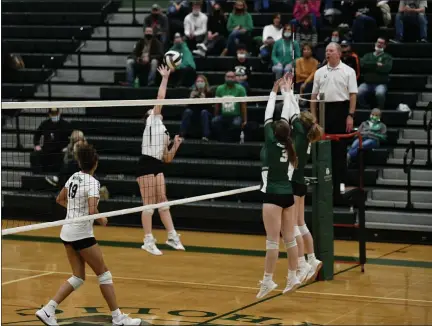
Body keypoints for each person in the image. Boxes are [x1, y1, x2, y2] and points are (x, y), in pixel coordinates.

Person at [35, 144, 142, 326]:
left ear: (79, 161)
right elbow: (92, 210)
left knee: (78, 276)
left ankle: (48, 309)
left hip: (67, 232)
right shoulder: (93, 183)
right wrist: (102, 219)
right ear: (95, 163)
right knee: (104, 274)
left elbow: (60, 199)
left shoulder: (74, 176)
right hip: (81, 235)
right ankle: (118, 318)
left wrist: (76, 210)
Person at [257, 75, 301, 299]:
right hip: (288, 196)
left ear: (274, 132)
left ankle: (267, 280)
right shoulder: (289, 145)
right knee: (290, 239)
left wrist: (274, 91)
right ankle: (293, 276)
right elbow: (285, 118)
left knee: (272, 242)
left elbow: (268, 114)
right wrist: (288, 93)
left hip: (273, 196)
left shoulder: (271, 144)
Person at [137, 65, 185, 256]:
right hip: (146, 163)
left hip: (157, 163)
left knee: (163, 201)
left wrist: (175, 145)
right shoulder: (152, 120)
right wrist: (165, 78)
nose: (155, 110)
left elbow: (167, 158)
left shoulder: (164, 130)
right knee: (148, 204)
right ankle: (148, 240)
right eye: (152, 110)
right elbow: (160, 97)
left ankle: (172, 236)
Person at [285, 88, 324, 284]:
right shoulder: (307, 136)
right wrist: (291, 96)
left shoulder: (300, 134)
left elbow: (292, 115)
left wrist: (288, 94)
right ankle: (312, 258)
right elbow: (294, 115)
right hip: (300, 183)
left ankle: (302, 263)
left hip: (293, 184)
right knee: (301, 224)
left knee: (293, 227)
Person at [310, 42, 357, 200]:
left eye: (330, 51)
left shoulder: (348, 71)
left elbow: (352, 95)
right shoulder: (319, 72)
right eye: (326, 51)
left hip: (341, 111)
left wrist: (350, 115)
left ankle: (338, 188)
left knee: (339, 152)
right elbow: (313, 97)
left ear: (338, 53)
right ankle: (323, 188)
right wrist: (313, 116)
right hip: (324, 112)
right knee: (323, 150)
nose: (327, 53)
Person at [31, 108, 71, 174]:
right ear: (49, 114)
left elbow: (73, 137)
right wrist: (36, 145)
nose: (54, 116)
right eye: (53, 114)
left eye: (56, 114)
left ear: (59, 113)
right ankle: (38, 177)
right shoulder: (45, 124)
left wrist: (68, 147)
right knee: (34, 155)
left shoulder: (66, 125)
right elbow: (37, 134)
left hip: (60, 152)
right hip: (46, 151)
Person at [358, 38, 393, 110]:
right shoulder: (367, 55)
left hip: (381, 83)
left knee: (380, 94)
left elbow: (387, 68)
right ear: (375, 43)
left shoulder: (387, 57)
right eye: (378, 42)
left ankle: (380, 109)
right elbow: (362, 65)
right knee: (358, 92)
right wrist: (376, 64)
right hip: (367, 83)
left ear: (385, 46)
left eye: (382, 43)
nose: (379, 44)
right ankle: (365, 107)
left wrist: (370, 66)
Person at [212, 71, 247, 142]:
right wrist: (215, 115)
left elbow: (243, 105)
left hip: (236, 116)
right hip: (223, 115)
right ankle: (221, 139)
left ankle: (233, 141)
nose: (230, 79)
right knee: (214, 121)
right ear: (224, 78)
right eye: (228, 77)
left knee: (236, 123)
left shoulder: (241, 89)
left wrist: (244, 119)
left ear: (235, 78)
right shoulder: (219, 88)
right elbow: (217, 105)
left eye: (232, 77)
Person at [179, 75, 212, 140]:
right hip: (194, 112)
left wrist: (204, 99)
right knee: (187, 111)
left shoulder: (209, 93)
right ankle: (181, 135)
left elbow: (210, 108)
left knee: (204, 112)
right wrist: (191, 98)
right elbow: (186, 106)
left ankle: (206, 136)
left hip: (205, 113)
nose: (200, 83)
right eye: (198, 81)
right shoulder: (192, 92)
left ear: (205, 83)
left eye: (201, 81)